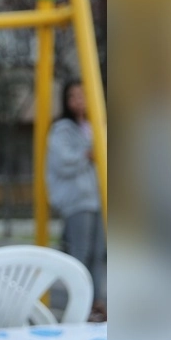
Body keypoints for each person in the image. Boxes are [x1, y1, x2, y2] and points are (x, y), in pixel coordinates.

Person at [47, 79, 106, 321]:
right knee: (80, 252)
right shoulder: (62, 129)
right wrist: (86, 154)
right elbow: (62, 161)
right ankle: (79, 303)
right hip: (77, 200)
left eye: (83, 95)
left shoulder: (93, 126)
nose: (79, 100)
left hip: (96, 198)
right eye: (74, 96)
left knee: (98, 252)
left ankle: (96, 302)